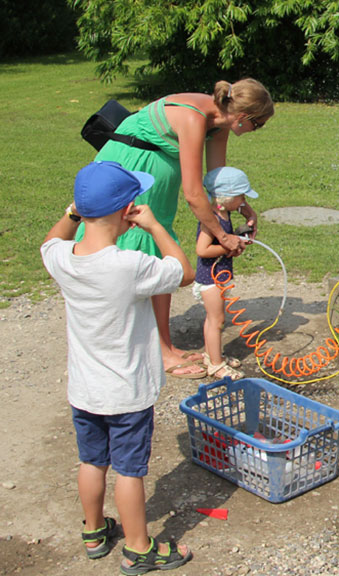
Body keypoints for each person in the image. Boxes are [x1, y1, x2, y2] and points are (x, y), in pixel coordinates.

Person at [41, 161, 195, 574]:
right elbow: (184, 271)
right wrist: (156, 226)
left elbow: (51, 240)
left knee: (92, 461)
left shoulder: (63, 259)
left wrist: (72, 214)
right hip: (126, 392)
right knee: (129, 470)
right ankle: (139, 548)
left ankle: (93, 532)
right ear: (127, 209)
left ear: (83, 210)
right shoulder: (128, 266)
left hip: (85, 390)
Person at [77, 78, 274, 379]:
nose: (255, 131)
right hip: (131, 168)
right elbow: (194, 194)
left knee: (159, 248)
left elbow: (215, 182)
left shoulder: (219, 123)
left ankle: (163, 343)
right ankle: (158, 349)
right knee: (140, 247)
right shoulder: (194, 116)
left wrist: (243, 206)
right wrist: (222, 236)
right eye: (257, 125)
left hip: (156, 176)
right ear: (245, 117)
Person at [194, 166, 259, 380]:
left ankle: (212, 355)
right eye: (240, 196)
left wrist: (249, 219)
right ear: (227, 197)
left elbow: (241, 208)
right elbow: (202, 250)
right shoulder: (211, 221)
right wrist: (229, 246)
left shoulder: (224, 211)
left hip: (218, 274)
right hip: (210, 278)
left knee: (215, 319)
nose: (243, 200)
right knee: (217, 320)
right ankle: (216, 365)